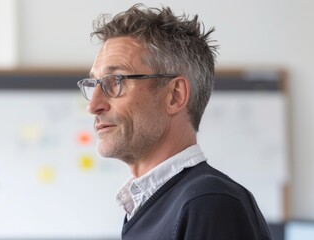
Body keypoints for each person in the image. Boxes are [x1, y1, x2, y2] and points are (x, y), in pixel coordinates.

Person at [77, 3, 272, 240]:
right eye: (94, 83)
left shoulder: (208, 204)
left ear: (175, 95)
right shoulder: (153, 206)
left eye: (116, 81)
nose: (93, 105)